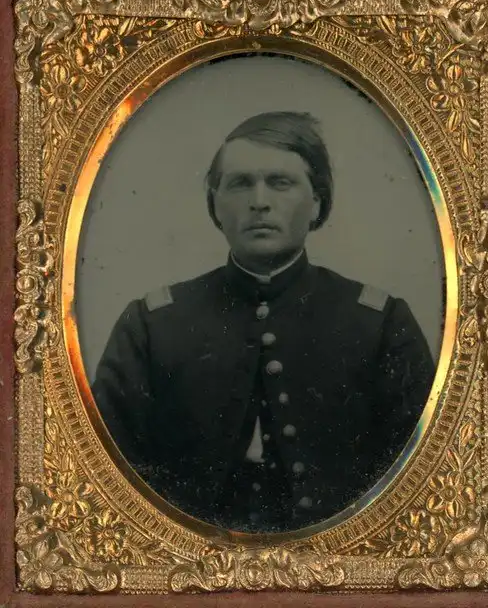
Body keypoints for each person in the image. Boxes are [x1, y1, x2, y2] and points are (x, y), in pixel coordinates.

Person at [92, 111, 435, 533]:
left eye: (280, 182)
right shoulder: (151, 324)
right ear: (216, 205)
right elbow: (106, 477)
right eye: (240, 183)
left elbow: (419, 481)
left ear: (317, 202)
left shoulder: (380, 323)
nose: (259, 201)